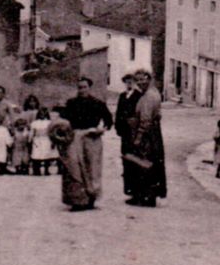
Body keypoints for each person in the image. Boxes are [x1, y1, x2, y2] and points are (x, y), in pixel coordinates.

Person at [58, 77, 113, 211]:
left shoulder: (97, 103)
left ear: (89, 88)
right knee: (74, 168)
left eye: (84, 87)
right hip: (75, 137)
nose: (82, 90)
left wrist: (100, 130)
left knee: (92, 168)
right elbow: (63, 121)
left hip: (92, 138)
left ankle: (91, 199)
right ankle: (77, 200)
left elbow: (109, 121)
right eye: (80, 87)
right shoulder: (71, 103)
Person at [126, 69, 167, 207]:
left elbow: (146, 120)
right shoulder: (153, 92)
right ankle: (147, 195)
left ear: (149, 79)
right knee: (151, 164)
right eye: (137, 80)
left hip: (147, 136)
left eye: (143, 79)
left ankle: (147, 197)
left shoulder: (148, 96)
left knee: (144, 164)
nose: (140, 83)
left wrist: (138, 137)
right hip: (154, 133)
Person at [115, 73, 143, 200]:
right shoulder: (122, 96)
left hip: (133, 132)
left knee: (134, 159)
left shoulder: (138, 96)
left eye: (131, 81)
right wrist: (118, 128)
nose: (129, 83)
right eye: (127, 81)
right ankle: (129, 190)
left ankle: (135, 190)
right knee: (125, 157)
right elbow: (118, 113)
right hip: (124, 133)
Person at [29, 107, 57, 176]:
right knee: (36, 155)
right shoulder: (34, 123)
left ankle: (46, 170)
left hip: (46, 140)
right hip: (37, 140)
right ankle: (36, 171)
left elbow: (52, 133)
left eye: (44, 113)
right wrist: (30, 140)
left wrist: (53, 141)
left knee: (46, 154)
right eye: (41, 113)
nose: (42, 115)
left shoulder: (49, 123)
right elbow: (32, 132)